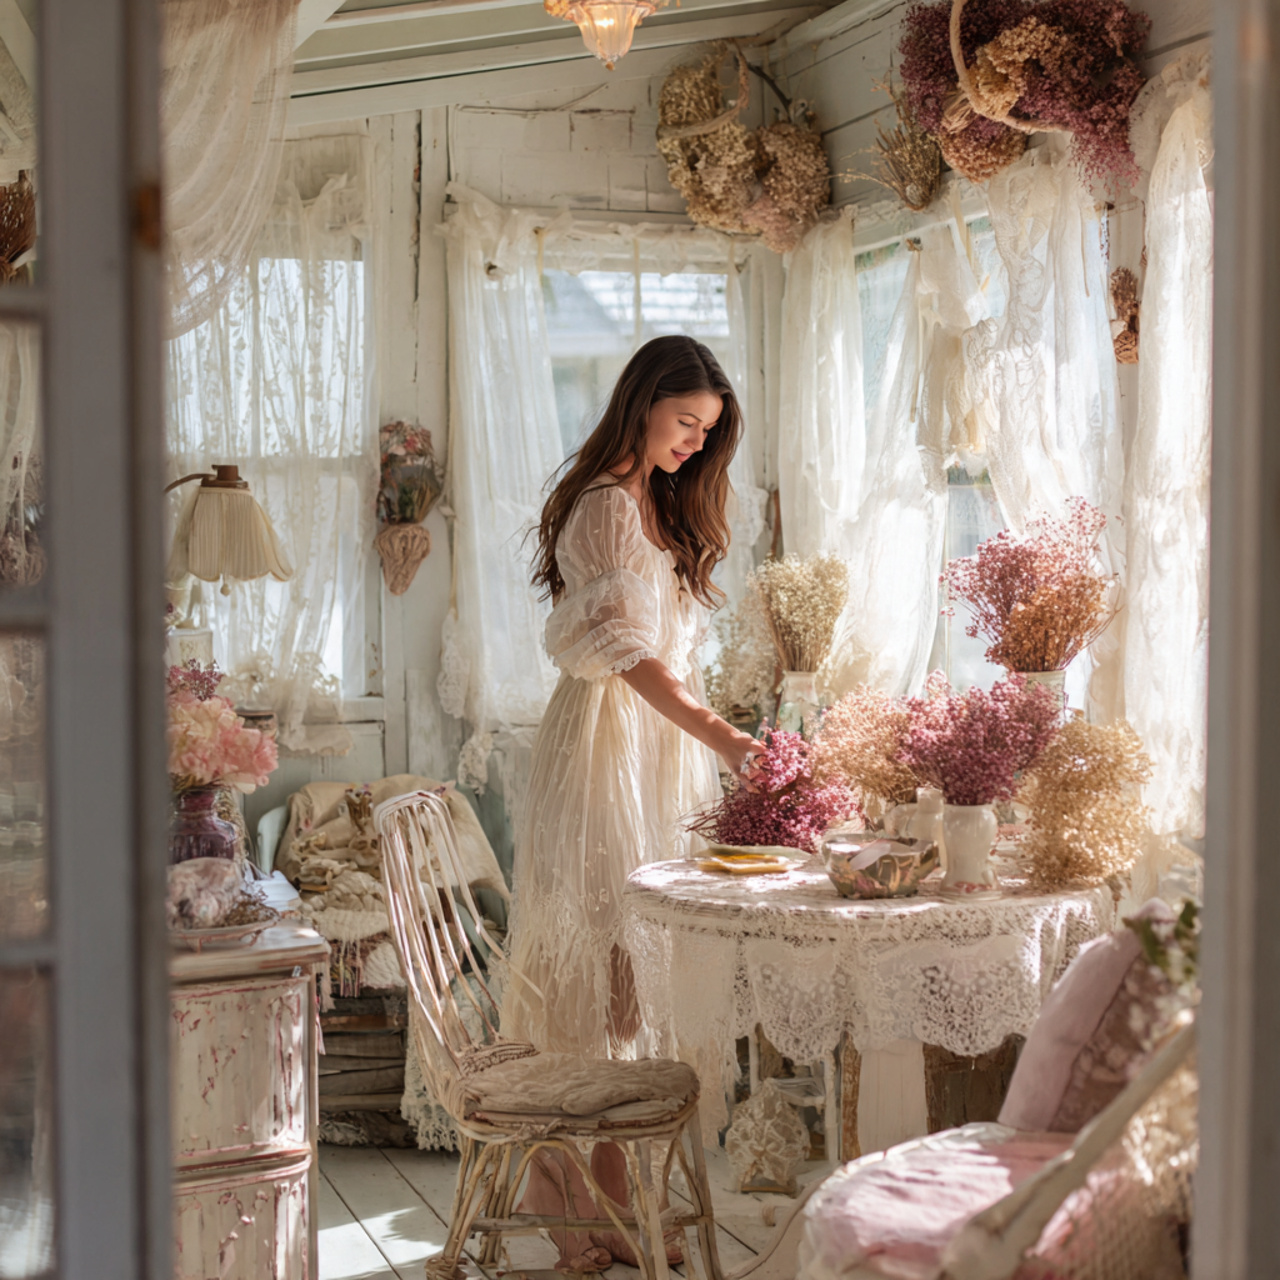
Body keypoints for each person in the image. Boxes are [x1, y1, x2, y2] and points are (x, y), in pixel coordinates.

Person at [502, 334, 763, 1271]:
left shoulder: (650, 502)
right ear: (645, 402)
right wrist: (725, 739)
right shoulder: (608, 507)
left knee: (630, 986)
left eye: (707, 432)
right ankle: (582, 1215)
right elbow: (630, 656)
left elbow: (663, 654)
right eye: (686, 422)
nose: (695, 444)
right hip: (607, 749)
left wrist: (708, 736)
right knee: (599, 980)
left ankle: (613, 1206)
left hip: (649, 752)